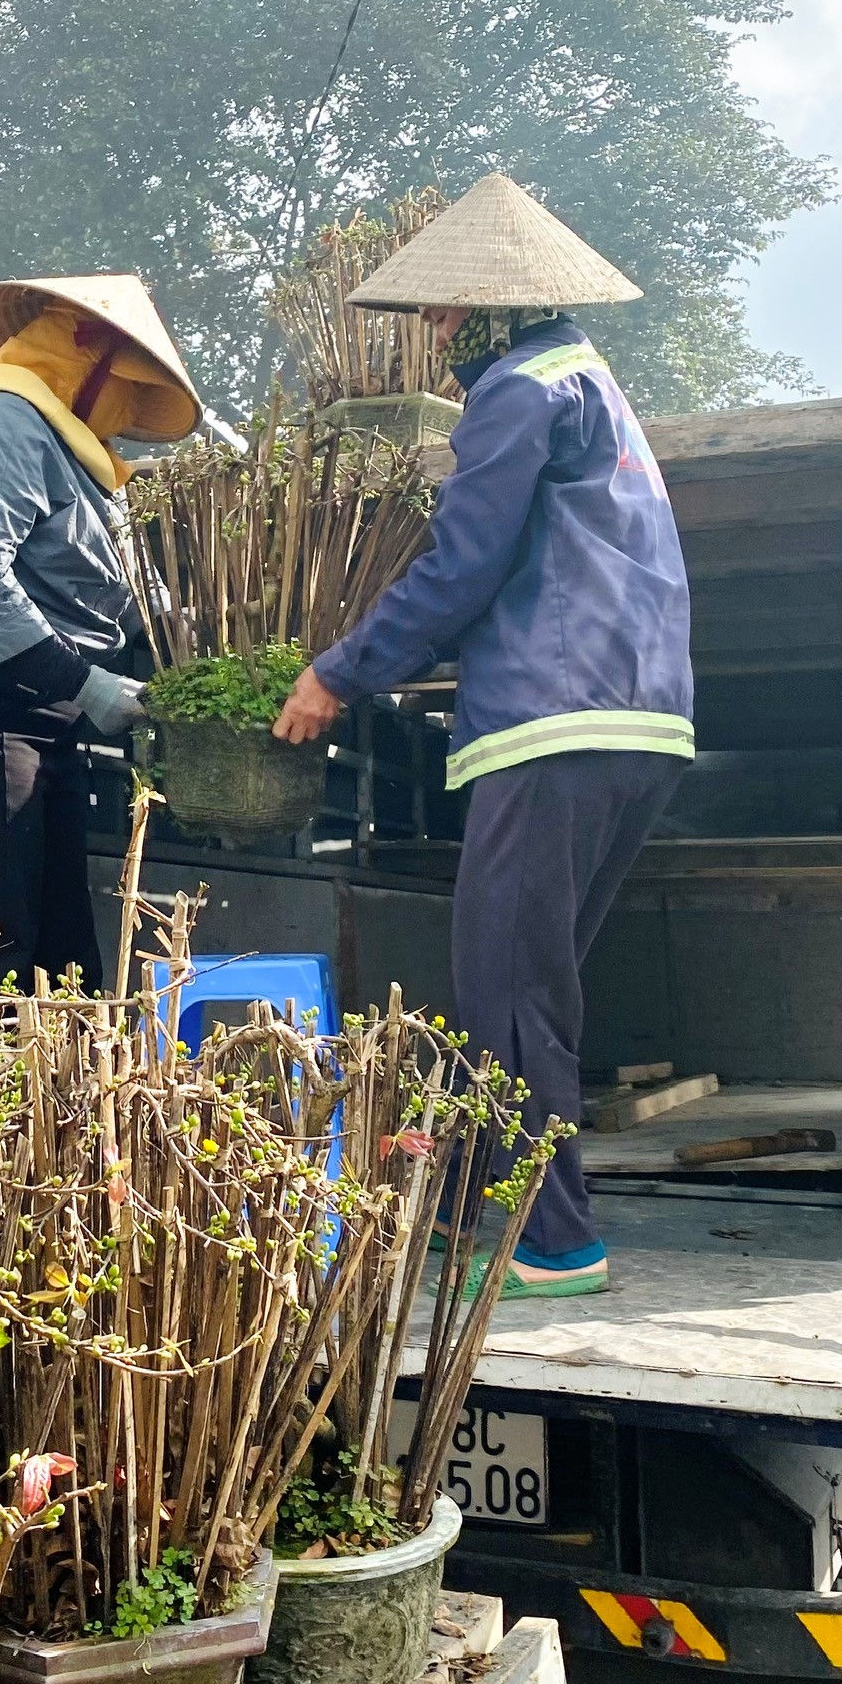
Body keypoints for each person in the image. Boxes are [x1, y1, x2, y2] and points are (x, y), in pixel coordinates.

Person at [271, 174, 694, 1298]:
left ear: (495, 307)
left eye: (446, 313)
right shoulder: (595, 386)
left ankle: (548, 1244)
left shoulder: (517, 392)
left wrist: (335, 674)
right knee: (531, 983)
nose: (436, 335)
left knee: (507, 990)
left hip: (554, 721)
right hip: (639, 720)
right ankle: (482, 1207)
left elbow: (463, 566)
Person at [0, 274, 203, 1020]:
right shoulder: (5, 425)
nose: (126, 419)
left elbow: (119, 600)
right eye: (126, 391)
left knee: (64, 968)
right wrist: (90, 687)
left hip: (48, 713)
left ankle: (53, 1134)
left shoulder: (89, 468)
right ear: (82, 355)